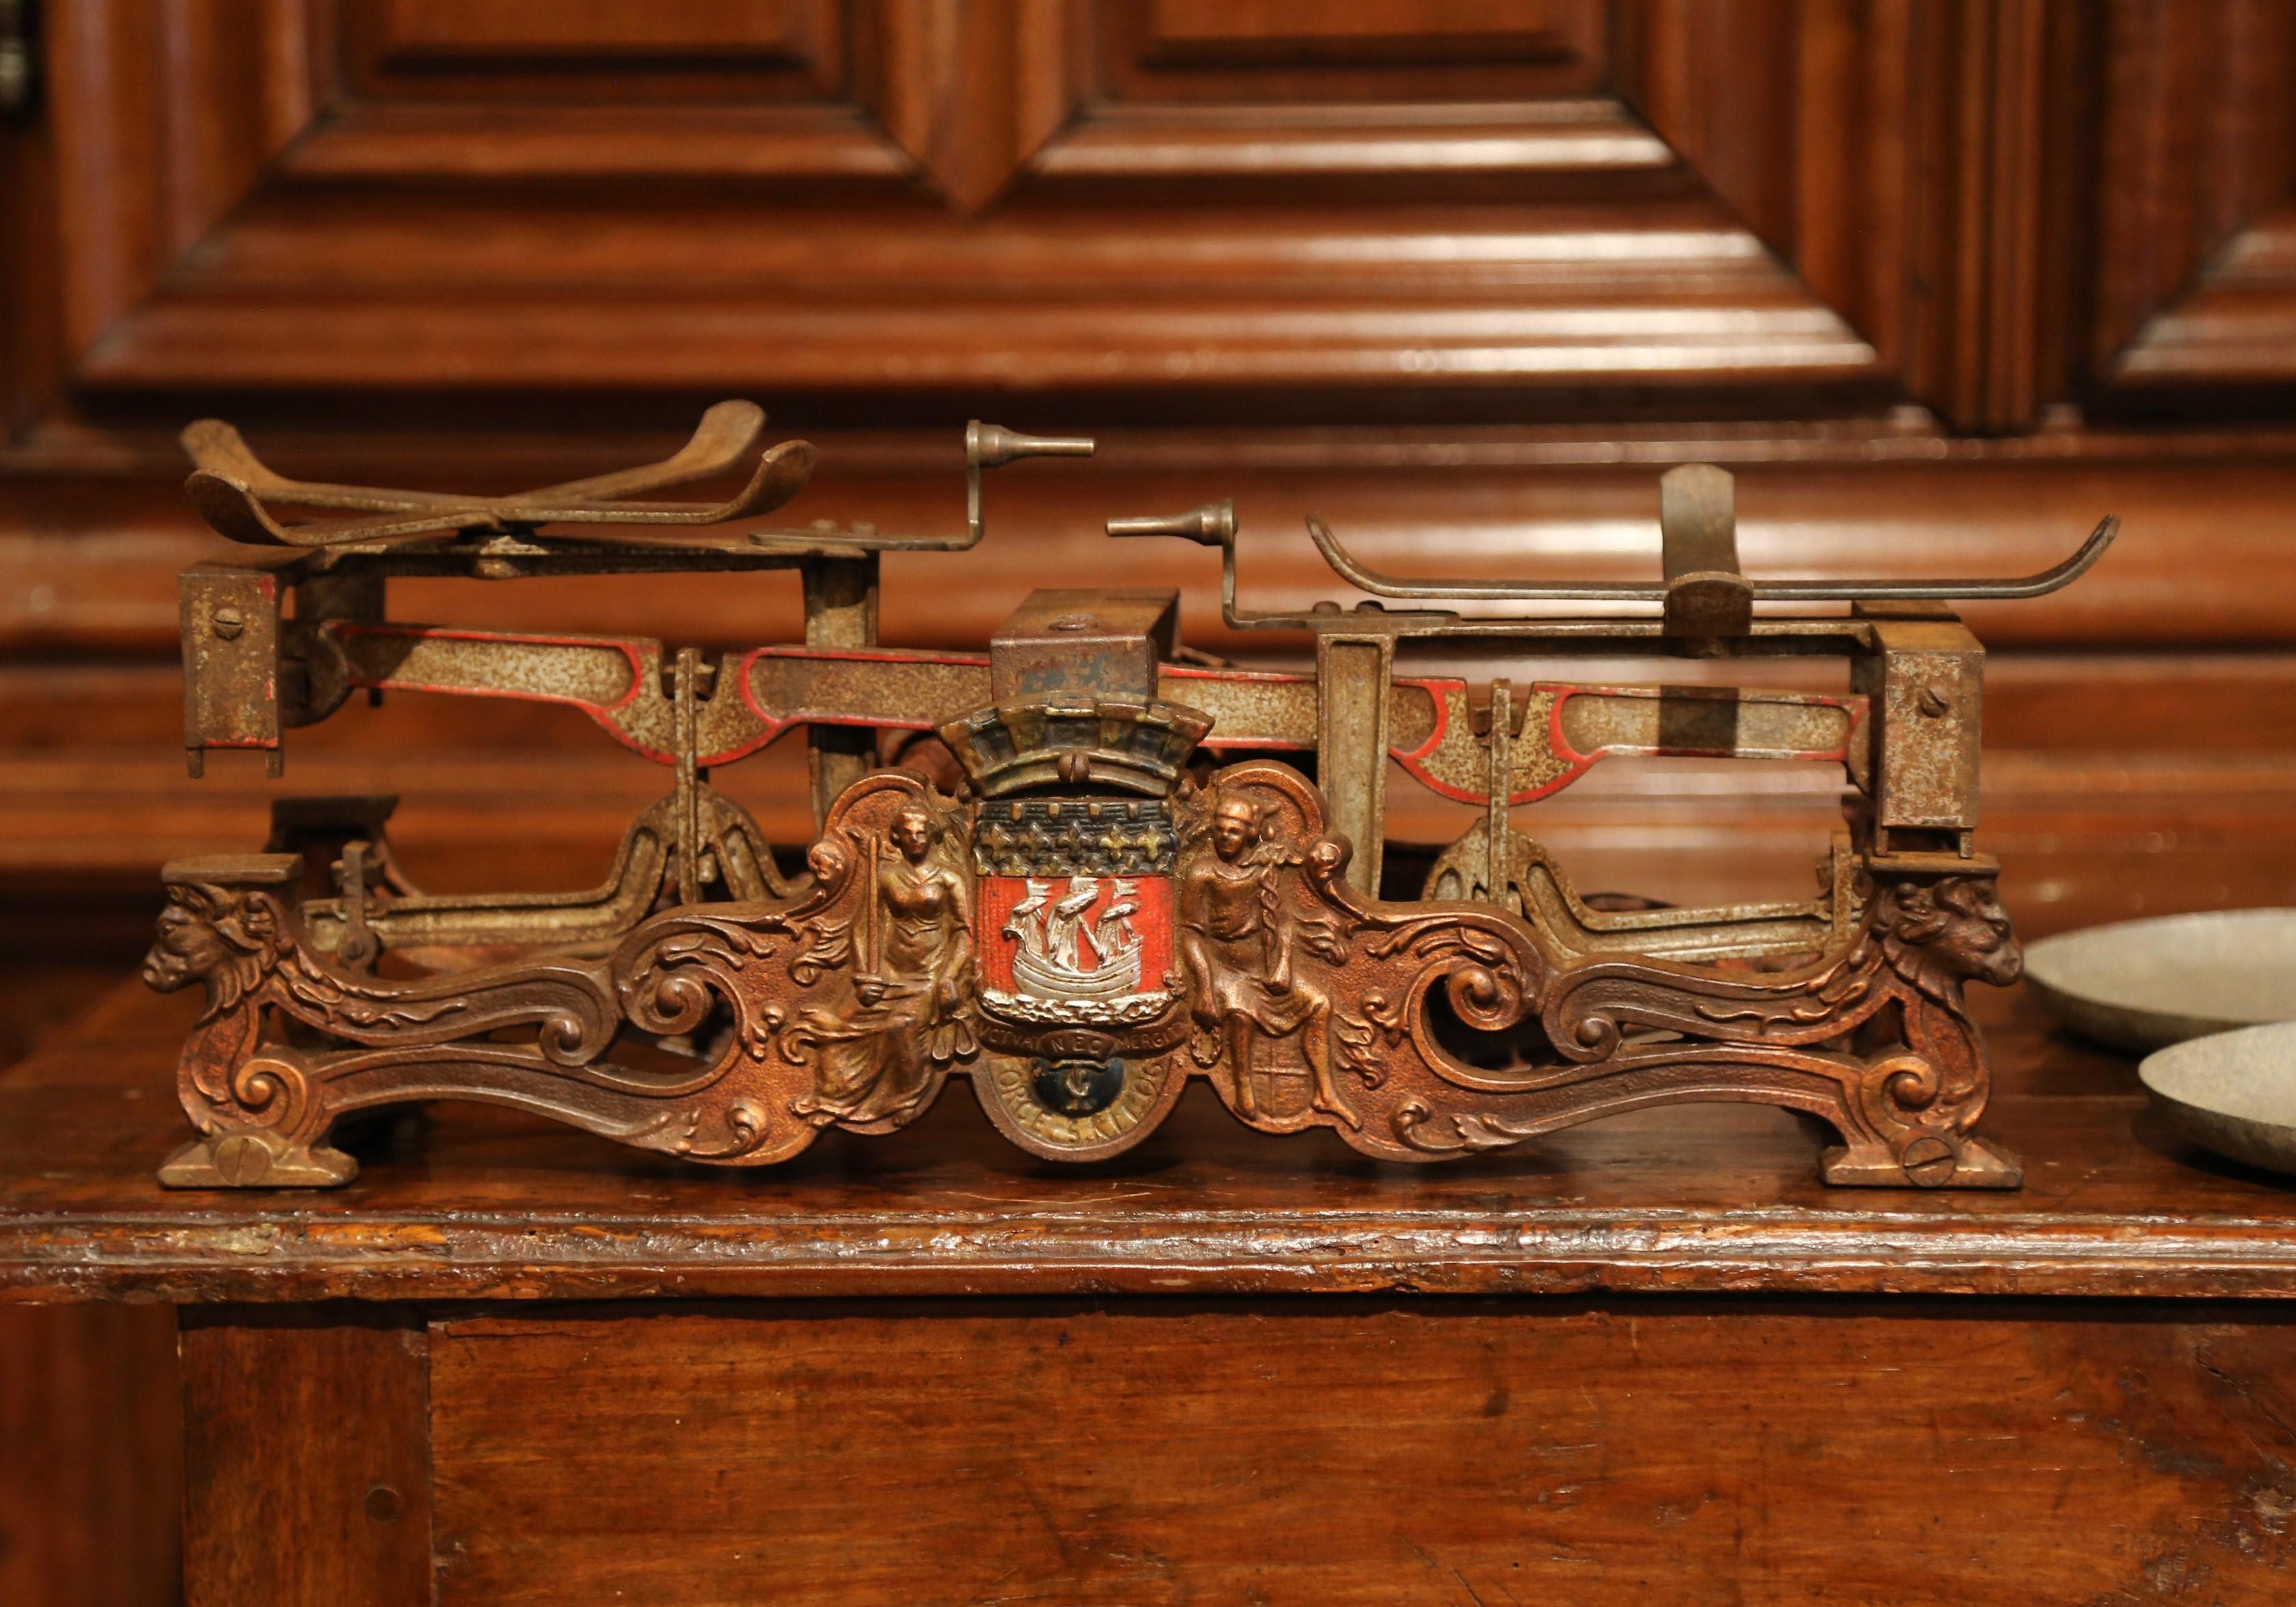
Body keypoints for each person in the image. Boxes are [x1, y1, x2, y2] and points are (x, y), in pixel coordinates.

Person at [1179, 791, 1354, 1126]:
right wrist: (1203, 986)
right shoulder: (1202, 874)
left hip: (1262, 967)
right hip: (1225, 967)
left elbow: (1283, 920)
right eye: (1220, 829)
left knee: (1319, 1004)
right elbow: (1191, 934)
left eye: (1233, 831)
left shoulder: (1263, 869)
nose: (1225, 837)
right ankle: (1244, 1092)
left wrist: (1284, 964)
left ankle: (1325, 1092)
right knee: (1240, 1012)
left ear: (1248, 833)